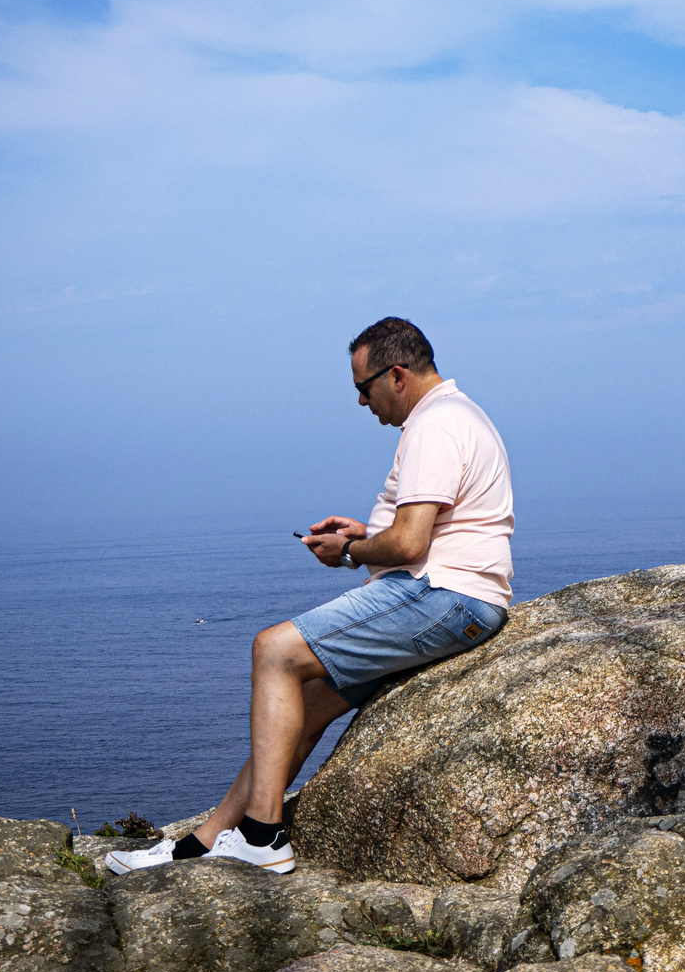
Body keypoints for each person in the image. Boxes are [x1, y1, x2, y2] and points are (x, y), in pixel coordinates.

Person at [107, 317, 514, 875]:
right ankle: (200, 844)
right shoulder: (457, 415)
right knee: (304, 705)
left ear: (396, 375)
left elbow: (412, 541)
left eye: (362, 387)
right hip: (454, 597)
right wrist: (363, 535)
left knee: (273, 650)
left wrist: (349, 553)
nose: (360, 401)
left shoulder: (435, 424)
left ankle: (263, 836)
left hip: (441, 594)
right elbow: (425, 527)